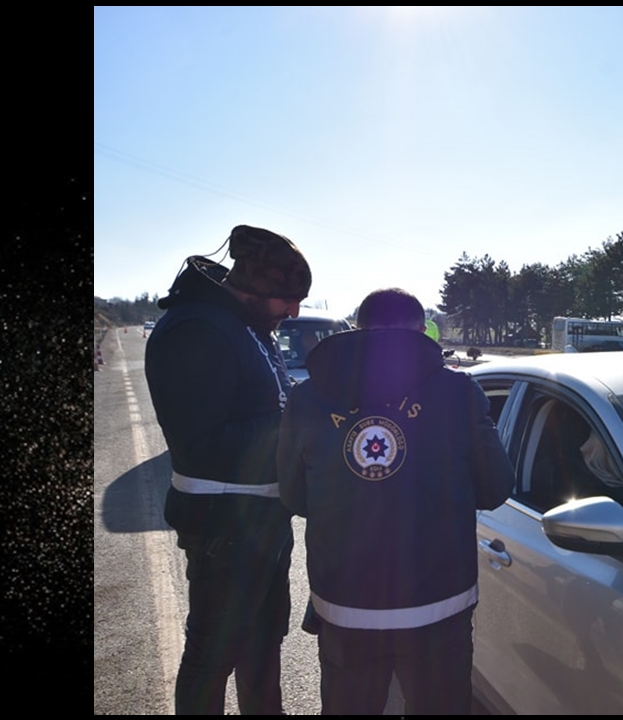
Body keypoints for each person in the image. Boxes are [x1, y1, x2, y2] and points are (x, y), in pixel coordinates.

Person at [277, 287, 515, 715]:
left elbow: (293, 497)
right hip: (439, 606)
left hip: (345, 606)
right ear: (420, 330)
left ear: (358, 330)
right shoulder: (458, 393)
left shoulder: (307, 397)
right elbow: (496, 488)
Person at [144, 224, 311, 714]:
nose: (294, 311)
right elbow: (201, 444)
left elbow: (271, 403)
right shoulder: (197, 328)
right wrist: (294, 426)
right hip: (225, 531)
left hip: (263, 525)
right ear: (255, 287)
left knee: (262, 648)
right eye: (287, 297)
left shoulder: (246, 326)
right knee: (211, 661)